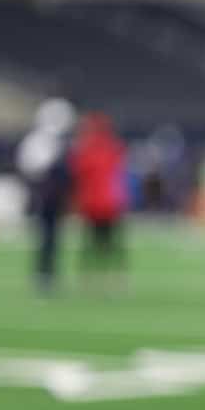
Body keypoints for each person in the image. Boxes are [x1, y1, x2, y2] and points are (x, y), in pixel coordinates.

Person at [16, 97, 76, 295]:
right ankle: (44, 274)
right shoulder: (44, 142)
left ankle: (47, 273)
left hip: (51, 198)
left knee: (50, 238)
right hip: (46, 198)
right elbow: (34, 170)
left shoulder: (49, 141)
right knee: (47, 238)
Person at [69, 112, 127, 292]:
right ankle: (114, 280)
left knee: (92, 244)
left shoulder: (85, 150)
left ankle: (90, 280)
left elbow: (77, 176)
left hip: (93, 203)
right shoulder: (112, 148)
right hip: (109, 202)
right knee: (109, 244)